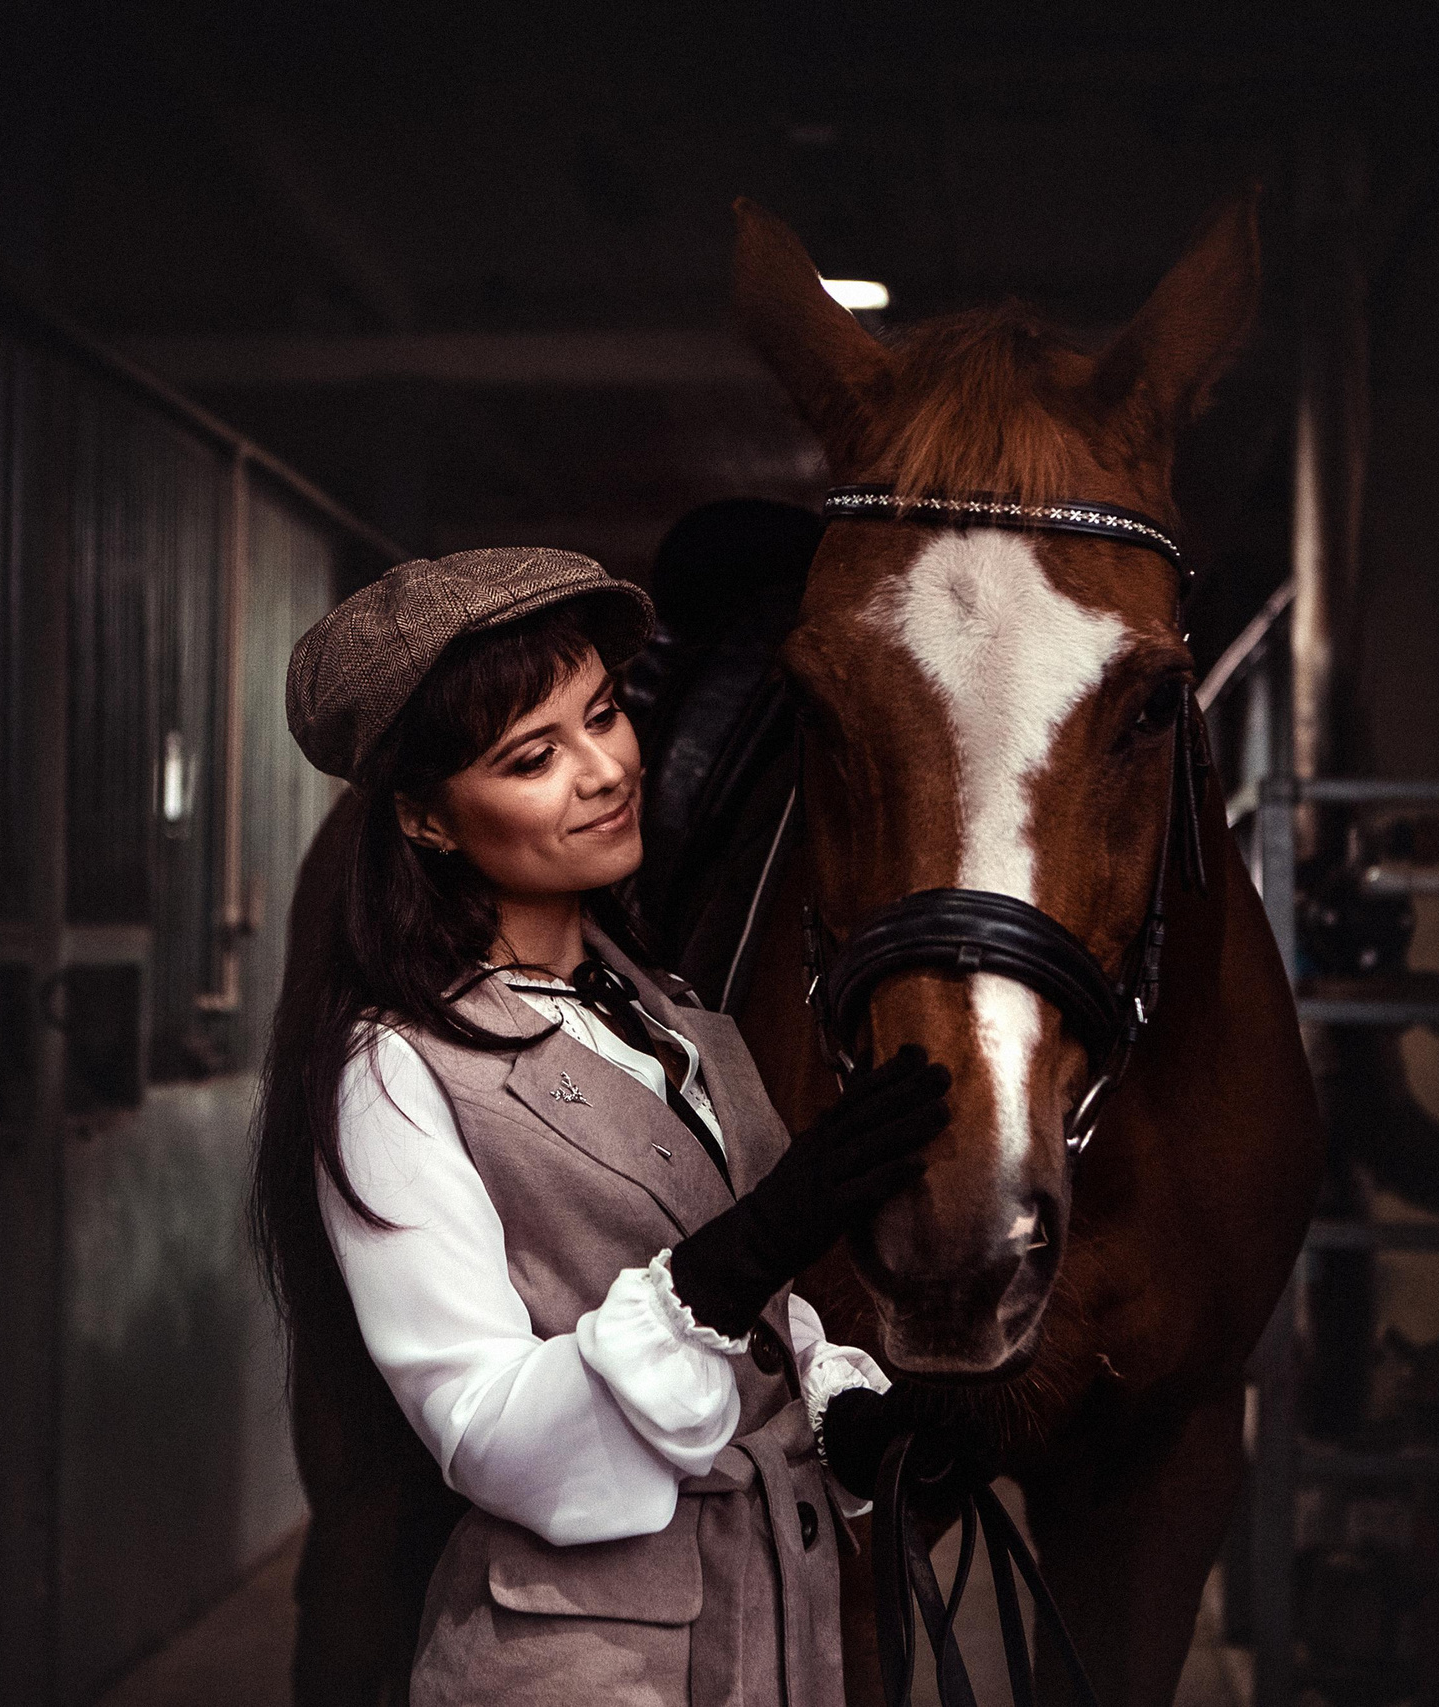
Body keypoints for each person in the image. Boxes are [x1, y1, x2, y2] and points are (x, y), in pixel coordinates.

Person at [254, 546, 945, 1707]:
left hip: (776, 1639)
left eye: (604, 714)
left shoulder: (668, 1015)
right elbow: (485, 1432)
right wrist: (732, 1264)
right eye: (533, 758)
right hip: (582, 1670)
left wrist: (854, 1414)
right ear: (425, 818)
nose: (605, 770)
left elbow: (759, 1336)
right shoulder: (393, 1068)